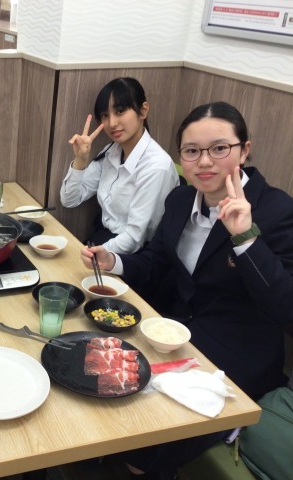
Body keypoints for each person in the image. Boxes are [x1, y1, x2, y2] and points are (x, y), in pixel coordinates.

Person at [82, 101, 293, 478]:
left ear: (244, 150)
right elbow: (157, 262)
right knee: (97, 377)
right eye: (192, 151)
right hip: (176, 334)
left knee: (148, 439)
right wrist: (114, 262)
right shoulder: (180, 200)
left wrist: (245, 237)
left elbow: (285, 307)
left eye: (219, 148)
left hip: (239, 356)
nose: (205, 161)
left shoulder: (277, 210)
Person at [60, 77, 179, 254]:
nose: (112, 123)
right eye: (105, 115)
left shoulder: (156, 166)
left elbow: (134, 239)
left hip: (135, 255)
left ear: (143, 111)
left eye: (120, 111)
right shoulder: (111, 151)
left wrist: (91, 254)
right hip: (103, 241)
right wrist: (80, 160)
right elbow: (70, 200)